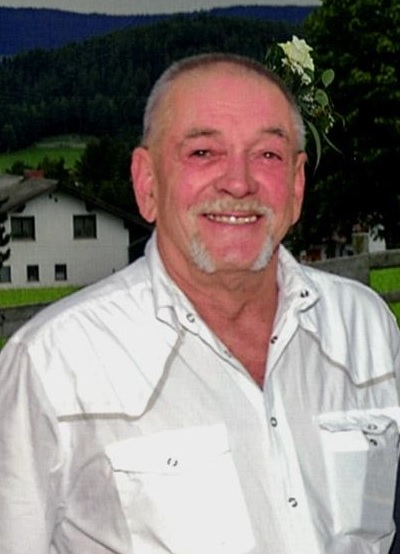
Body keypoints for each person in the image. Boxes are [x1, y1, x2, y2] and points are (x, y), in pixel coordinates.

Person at [0, 53, 399, 554]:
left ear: (297, 186)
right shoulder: (52, 365)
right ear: (147, 182)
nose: (239, 182)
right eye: (204, 152)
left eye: (268, 155)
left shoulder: (366, 329)